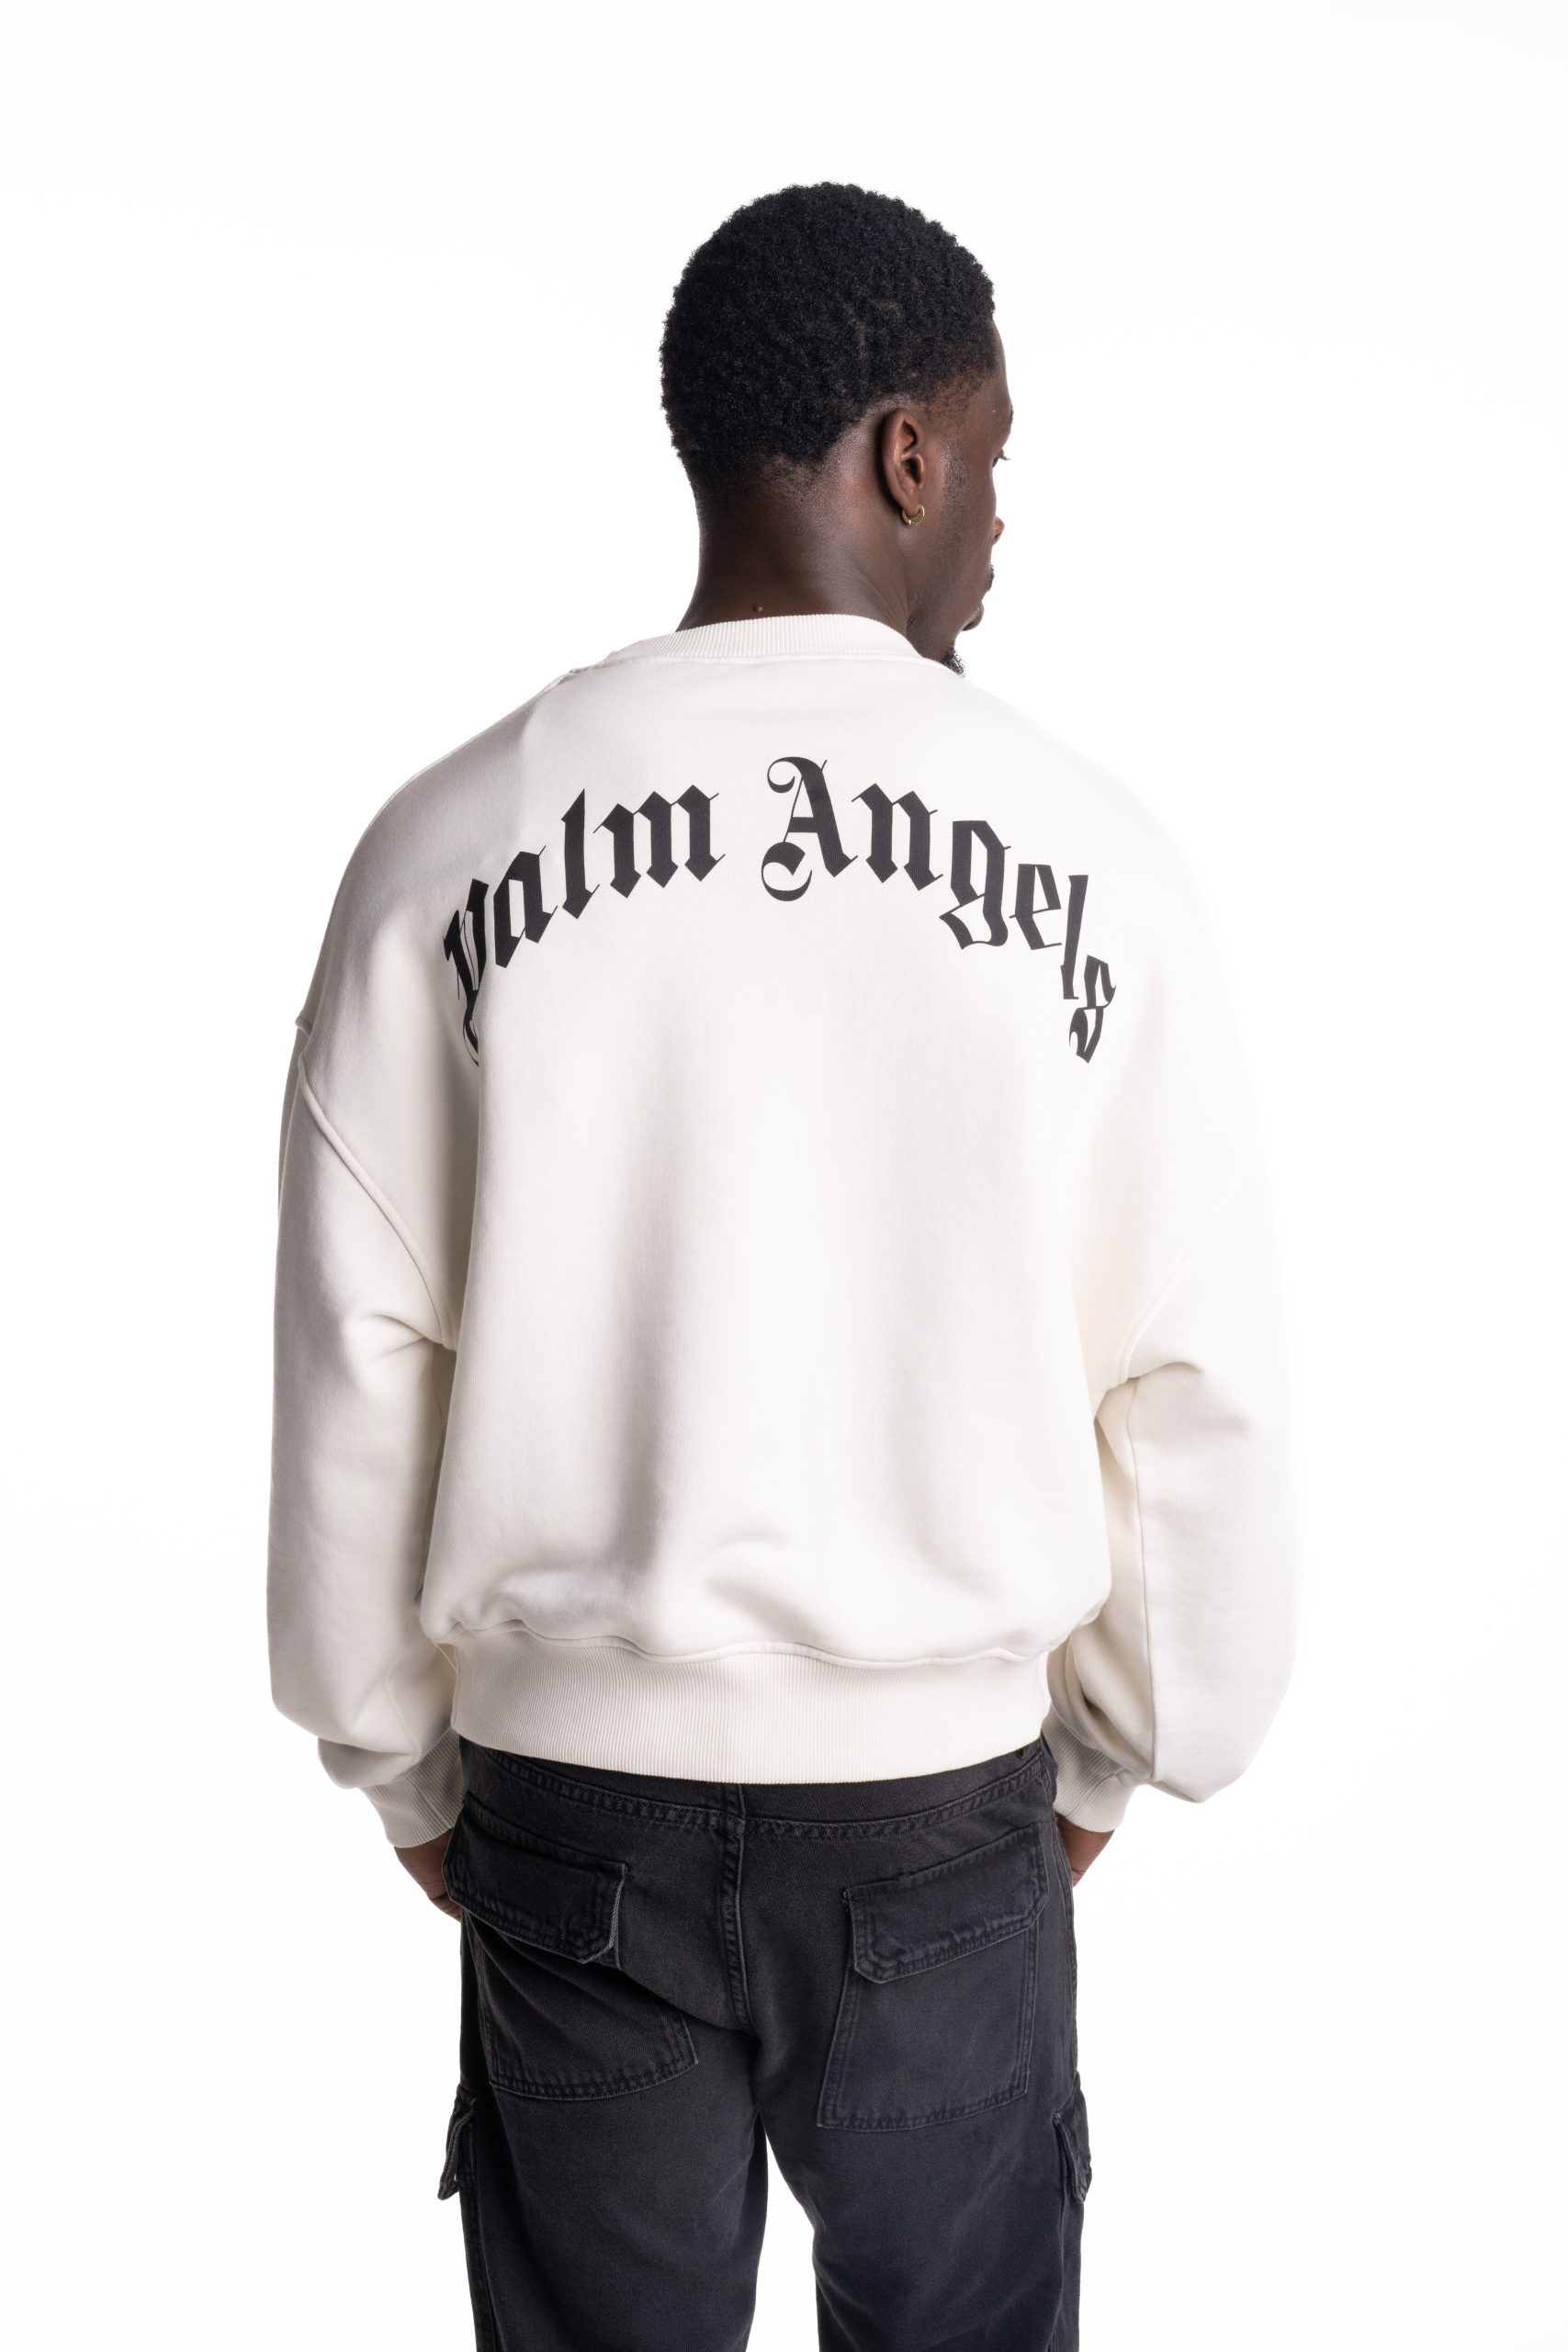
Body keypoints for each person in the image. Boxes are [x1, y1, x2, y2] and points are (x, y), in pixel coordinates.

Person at [267, 180, 1297, 2352]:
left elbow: (363, 1356)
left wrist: (405, 1763)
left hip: (568, 1822)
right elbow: (1185, 1375)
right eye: (989, 459)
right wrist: (1118, 1754)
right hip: (941, 1823)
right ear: (902, 453)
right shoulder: (1096, 860)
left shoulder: (446, 842)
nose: (997, 522)